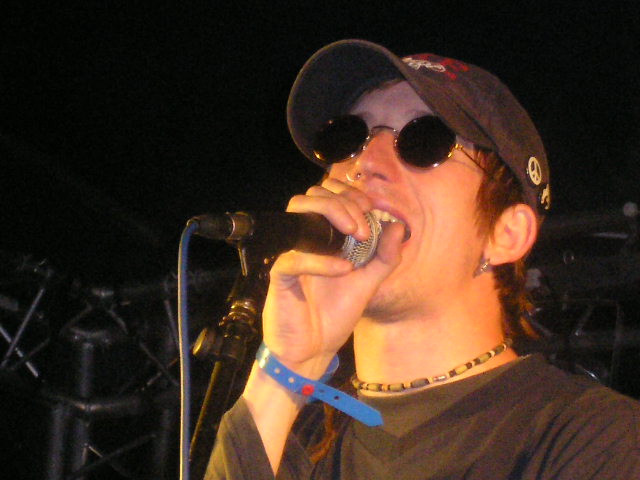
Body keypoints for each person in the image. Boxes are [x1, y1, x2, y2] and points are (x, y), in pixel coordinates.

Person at [205, 39, 640, 479]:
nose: (366, 162)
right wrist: (285, 372)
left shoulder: (599, 438)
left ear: (506, 234)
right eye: (348, 137)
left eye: (424, 140)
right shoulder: (285, 438)